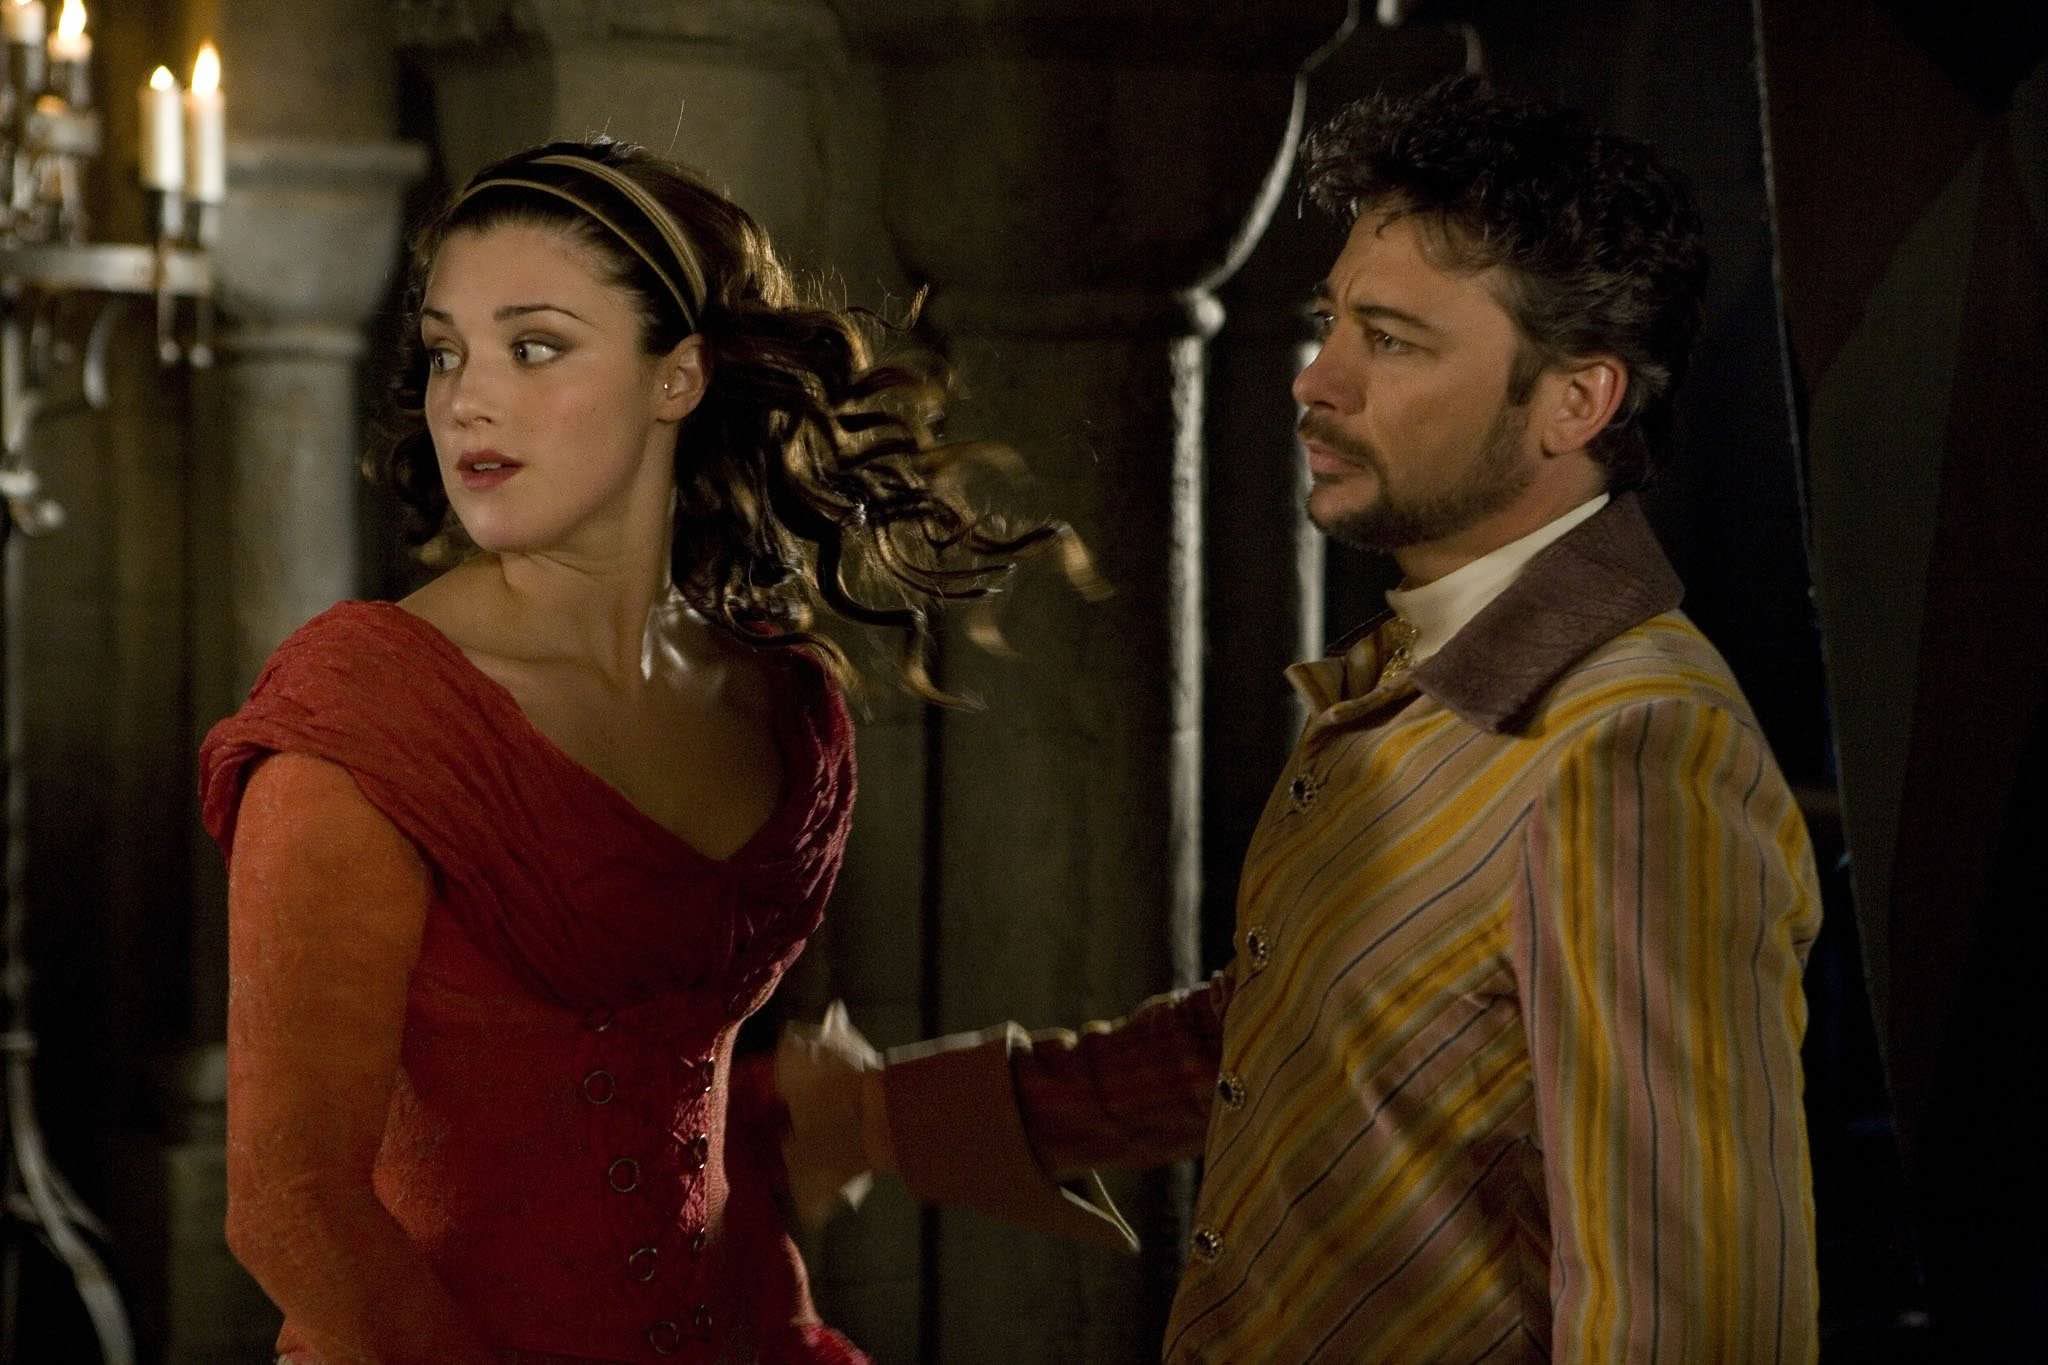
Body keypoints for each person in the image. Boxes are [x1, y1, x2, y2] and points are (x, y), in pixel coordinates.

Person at [782, 76, 1824, 1362]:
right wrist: (886, 1120)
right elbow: (1300, 1038)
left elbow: (1691, 1312)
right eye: (1332, 323)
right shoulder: (1431, 678)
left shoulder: (1633, 753)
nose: (1315, 380)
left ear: (1575, 401)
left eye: (1392, 341)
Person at [198, 138, 1056, 1365]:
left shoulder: (777, 699)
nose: (466, 400)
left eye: (533, 347)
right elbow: (291, 1206)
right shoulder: (370, 719)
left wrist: (849, 1116)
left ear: (678, 377)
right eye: (445, 352)